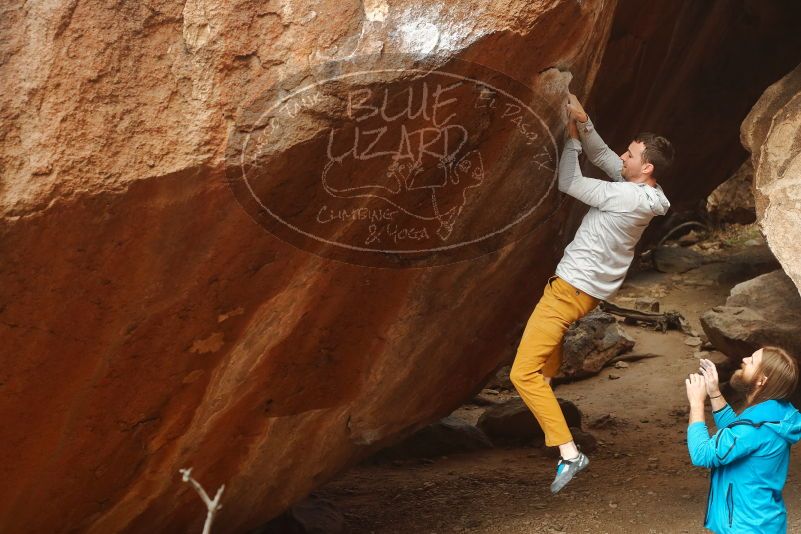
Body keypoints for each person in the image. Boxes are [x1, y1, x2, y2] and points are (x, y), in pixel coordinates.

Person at [510, 93, 674, 493]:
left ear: (646, 166)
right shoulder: (646, 193)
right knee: (543, 370)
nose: (624, 155)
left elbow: (569, 182)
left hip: (567, 293)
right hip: (582, 293)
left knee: (522, 374)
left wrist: (571, 141)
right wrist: (584, 123)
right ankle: (547, 415)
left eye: (631, 154)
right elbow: (606, 160)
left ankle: (569, 453)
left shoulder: (626, 197)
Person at [686, 347, 801, 533]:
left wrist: (696, 403)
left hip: (745, 526)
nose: (745, 359)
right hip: (764, 521)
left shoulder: (755, 427)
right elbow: (737, 433)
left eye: (753, 360)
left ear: (762, 381)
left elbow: (702, 454)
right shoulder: (774, 413)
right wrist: (714, 392)